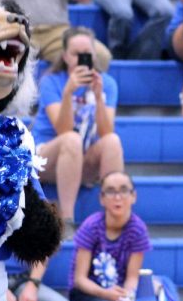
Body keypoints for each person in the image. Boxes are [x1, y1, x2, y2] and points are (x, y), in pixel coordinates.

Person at [31, 27, 124, 237]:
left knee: (113, 142)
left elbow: (106, 132)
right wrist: (68, 93)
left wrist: (99, 98)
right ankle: (66, 219)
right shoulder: (51, 81)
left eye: (87, 54)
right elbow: (63, 130)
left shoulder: (107, 83)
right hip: (46, 158)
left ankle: (114, 219)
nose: (82, 59)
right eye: (76, 54)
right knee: (71, 139)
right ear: (65, 56)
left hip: (79, 161)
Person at [68, 171, 151, 301]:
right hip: (86, 292)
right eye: (110, 191)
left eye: (124, 190)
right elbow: (80, 279)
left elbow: (132, 278)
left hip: (117, 294)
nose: (118, 197)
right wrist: (107, 295)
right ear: (102, 199)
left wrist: (127, 296)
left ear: (134, 196)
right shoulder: (91, 227)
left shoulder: (138, 230)